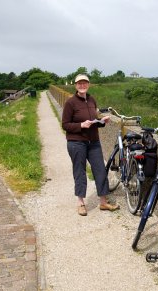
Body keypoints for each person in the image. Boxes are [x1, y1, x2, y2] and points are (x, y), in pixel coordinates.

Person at [62, 74, 120, 216]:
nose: (82, 85)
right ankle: (81, 203)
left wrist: (101, 121)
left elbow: (93, 120)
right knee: (80, 171)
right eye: (79, 83)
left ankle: (103, 202)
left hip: (93, 142)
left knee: (100, 169)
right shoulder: (71, 103)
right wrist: (81, 125)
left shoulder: (92, 100)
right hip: (76, 143)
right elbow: (65, 125)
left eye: (85, 83)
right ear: (75, 85)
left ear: (88, 84)